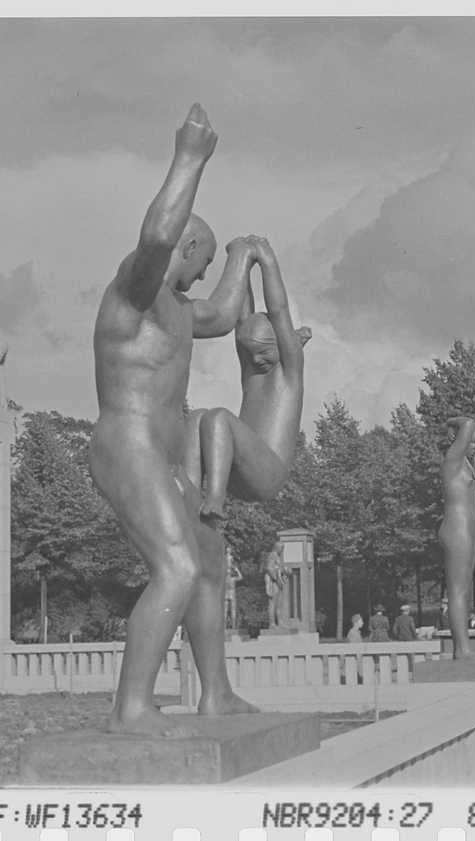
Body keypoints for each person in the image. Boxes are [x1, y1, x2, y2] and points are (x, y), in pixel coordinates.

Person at [87, 103, 257, 736]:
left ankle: (216, 694)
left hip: (165, 450)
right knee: (178, 568)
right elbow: (156, 239)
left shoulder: (182, 310)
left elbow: (224, 311)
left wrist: (244, 255)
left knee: (209, 560)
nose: (202, 274)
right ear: (185, 246)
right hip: (125, 442)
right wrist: (190, 158)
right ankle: (131, 707)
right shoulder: (133, 290)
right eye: (204, 260)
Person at [185, 236, 311, 519]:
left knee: (218, 418)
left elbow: (278, 311)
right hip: (237, 470)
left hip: (268, 474)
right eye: (249, 353)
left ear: (282, 342)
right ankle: (191, 498)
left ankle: (214, 503)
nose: (255, 360)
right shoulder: (253, 369)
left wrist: (266, 259)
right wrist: (239, 260)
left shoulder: (289, 371)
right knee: (196, 418)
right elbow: (241, 317)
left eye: (263, 352)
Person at [438, 417, 475, 658]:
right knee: (457, 591)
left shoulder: (465, 462)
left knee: (464, 591)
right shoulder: (452, 460)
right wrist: (450, 423)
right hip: (457, 529)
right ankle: (461, 649)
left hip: (466, 531)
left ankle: (463, 646)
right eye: (472, 441)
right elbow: (467, 422)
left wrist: (474, 455)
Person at [262, 542, 286, 628]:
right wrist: (275, 579)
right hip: (273, 582)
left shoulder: (278, 556)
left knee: (279, 603)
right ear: (277, 548)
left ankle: (280, 623)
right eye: (281, 548)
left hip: (279, 581)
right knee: (272, 602)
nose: (282, 550)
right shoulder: (272, 556)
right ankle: (272, 623)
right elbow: (269, 568)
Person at [224, 545, 242, 630]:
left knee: (225, 610)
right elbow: (241, 577)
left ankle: (224, 627)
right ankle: (233, 626)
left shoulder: (224, 579)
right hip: (232, 593)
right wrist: (236, 569)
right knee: (233, 610)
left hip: (225, 593)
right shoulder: (233, 579)